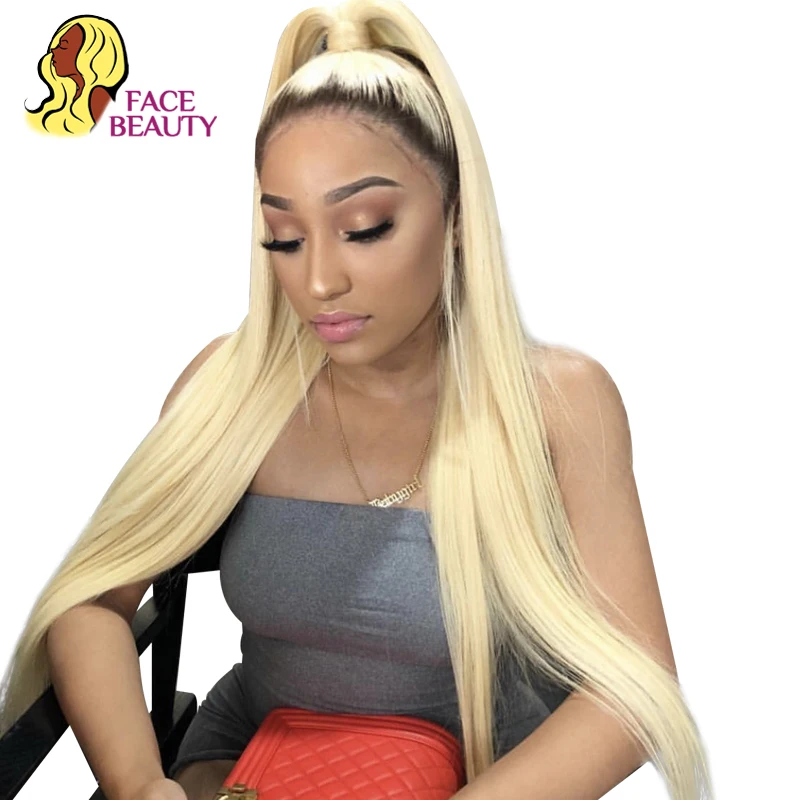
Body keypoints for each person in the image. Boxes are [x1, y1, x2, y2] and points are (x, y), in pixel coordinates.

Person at [0, 1, 714, 798]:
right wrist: (141, 784)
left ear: (454, 216)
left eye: (366, 227)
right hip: (253, 760)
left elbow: (631, 692)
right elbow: (93, 601)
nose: (317, 282)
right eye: (285, 238)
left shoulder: (559, 403)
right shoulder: (229, 388)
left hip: (492, 774)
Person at [25, 14, 128, 136]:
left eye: (63, 45)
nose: (53, 50)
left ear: (91, 54)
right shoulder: (68, 93)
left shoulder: (98, 96)